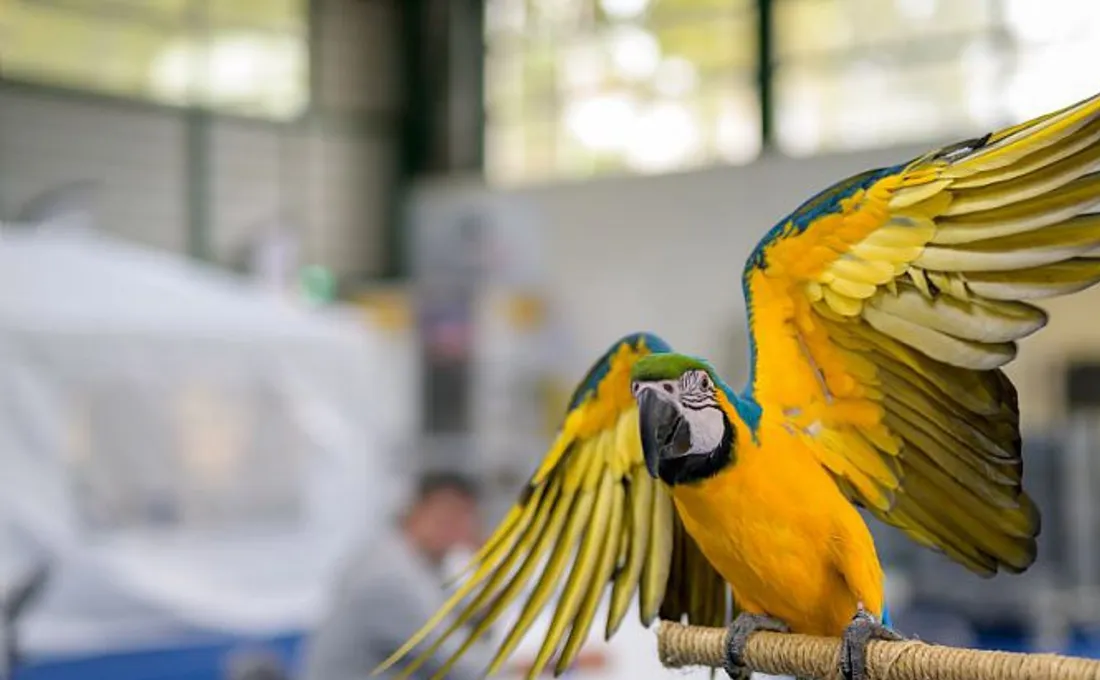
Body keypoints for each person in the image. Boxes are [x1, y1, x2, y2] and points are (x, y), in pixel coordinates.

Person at [302, 471, 491, 680]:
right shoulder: (392, 577)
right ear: (415, 512)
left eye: (463, 519)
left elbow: (467, 618)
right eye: (445, 517)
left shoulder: (413, 561)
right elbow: (465, 666)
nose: (455, 529)